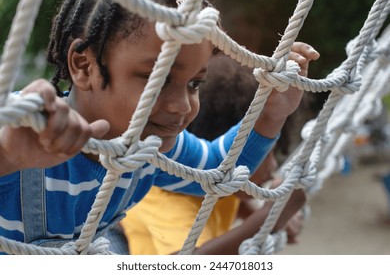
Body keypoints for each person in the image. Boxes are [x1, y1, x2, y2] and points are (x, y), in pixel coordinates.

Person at [0, 0, 319, 254]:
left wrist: (271, 114)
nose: (181, 105)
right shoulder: (28, 128)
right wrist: (8, 156)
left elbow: (220, 168)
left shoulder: (149, 150)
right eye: (158, 78)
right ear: (84, 66)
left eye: (194, 84)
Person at [120, 54, 307, 255]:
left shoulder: (219, 184)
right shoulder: (172, 203)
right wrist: (269, 219)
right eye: (266, 154)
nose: (272, 168)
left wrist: (261, 214)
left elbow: (229, 195)